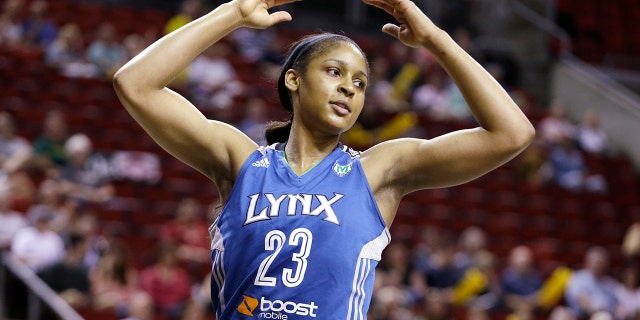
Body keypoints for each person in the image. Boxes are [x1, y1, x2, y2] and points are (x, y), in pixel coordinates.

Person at [112, 0, 535, 318]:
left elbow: (512, 134)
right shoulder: (240, 160)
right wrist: (234, 11)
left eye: (360, 82)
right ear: (293, 79)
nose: (349, 88)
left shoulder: (377, 171)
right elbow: (135, 84)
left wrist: (435, 41)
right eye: (334, 72)